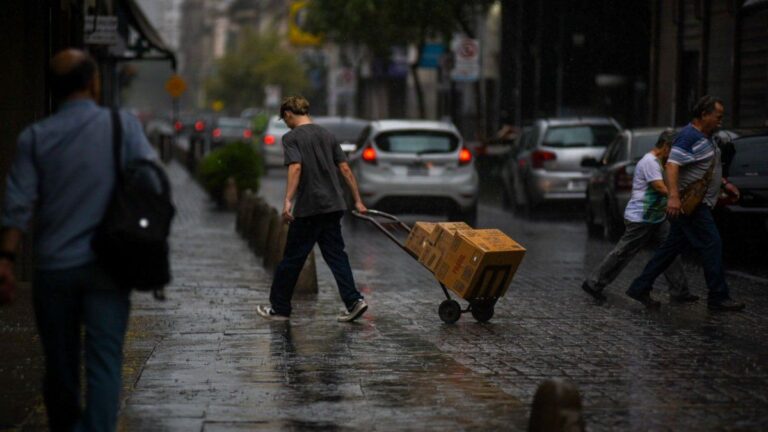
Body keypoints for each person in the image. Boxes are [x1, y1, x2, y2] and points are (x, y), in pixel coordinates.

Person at [0, 49, 155, 430]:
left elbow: (18, 204)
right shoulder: (124, 127)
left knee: (60, 362)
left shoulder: (35, 137)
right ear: (93, 82)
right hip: (110, 265)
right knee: (104, 360)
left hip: (54, 268)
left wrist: (6, 258)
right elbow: (151, 182)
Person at [626, 96, 745, 311]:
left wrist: (724, 184)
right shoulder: (689, 136)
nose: (721, 120)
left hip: (696, 203)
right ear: (704, 115)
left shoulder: (706, 137)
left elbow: (707, 168)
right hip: (691, 206)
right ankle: (718, 296)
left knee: (670, 249)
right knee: (712, 244)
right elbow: (672, 165)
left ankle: (640, 286)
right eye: (718, 116)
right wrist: (673, 197)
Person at [256, 96, 369, 322]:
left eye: (284, 118)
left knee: (292, 259)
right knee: (337, 256)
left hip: (310, 207)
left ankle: (279, 308)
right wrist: (357, 200)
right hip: (334, 205)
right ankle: (354, 301)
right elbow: (345, 168)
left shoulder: (291, 138)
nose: (285, 123)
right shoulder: (327, 135)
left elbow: (296, 167)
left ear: (289, 114)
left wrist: (287, 201)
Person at [581, 130, 698, 304]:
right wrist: (677, 196)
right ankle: (594, 283)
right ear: (666, 146)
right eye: (673, 150)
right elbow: (659, 186)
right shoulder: (649, 162)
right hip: (641, 217)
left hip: (657, 216)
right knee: (624, 252)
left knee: (669, 250)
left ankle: (680, 290)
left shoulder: (660, 162)